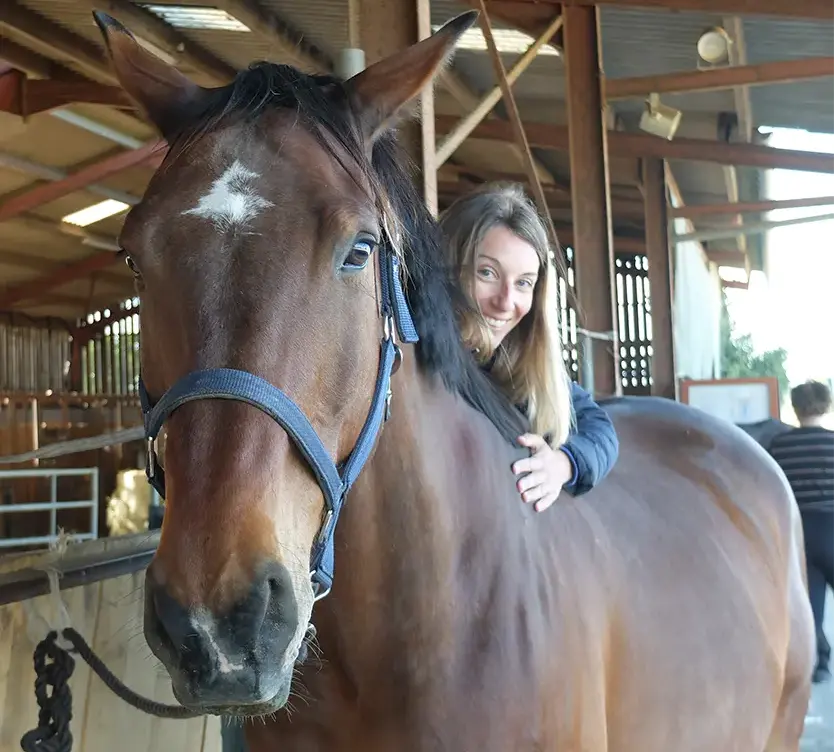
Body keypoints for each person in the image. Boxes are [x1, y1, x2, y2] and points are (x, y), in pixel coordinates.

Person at [437, 182, 619, 512]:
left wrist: (563, 464)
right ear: (449, 267)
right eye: (487, 272)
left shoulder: (517, 364)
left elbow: (601, 431)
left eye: (523, 283)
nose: (506, 301)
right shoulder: (409, 356)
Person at [769, 380, 834, 684]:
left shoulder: (780, 446)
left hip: (801, 534)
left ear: (795, 408)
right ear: (827, 406)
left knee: (811, 607)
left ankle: (819, 665)